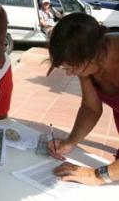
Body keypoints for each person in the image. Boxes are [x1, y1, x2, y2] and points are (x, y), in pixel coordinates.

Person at [47, 13, 119, 185]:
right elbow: (90, 108)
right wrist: (70, 141)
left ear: (92, 54)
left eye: (72, 66)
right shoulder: (87, 59)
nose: (70, 73)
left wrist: (97, 175)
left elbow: (97, 176)